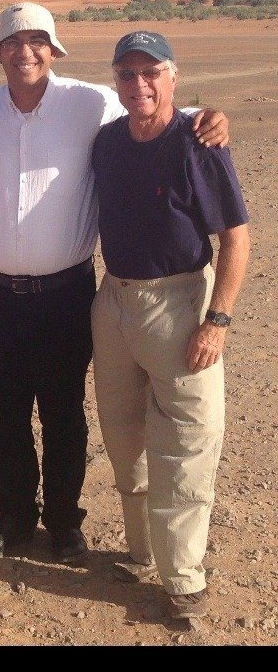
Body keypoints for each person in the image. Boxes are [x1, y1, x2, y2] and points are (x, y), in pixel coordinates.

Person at [0, 2, 230, 564]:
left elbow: (157, 109)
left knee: (63, 411)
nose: (25, 52)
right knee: (1, 413)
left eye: (38, 41)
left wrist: (212, 114)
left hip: (65, 294)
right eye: (14, 42)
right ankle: (12, 517)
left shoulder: (89, 101)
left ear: (54, 50)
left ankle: (62, 521)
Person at [91, 31, 249, 619]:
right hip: (115, 301)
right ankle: (142, 548)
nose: (140, 85)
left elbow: (236, 236)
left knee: (186, 441)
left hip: (181, 301)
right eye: (128, 75)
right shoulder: (106, 142)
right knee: (123, 433)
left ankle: (182, 577)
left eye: (151, 73)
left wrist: (218, 321)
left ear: (172, 77)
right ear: (115, 81)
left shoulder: (199, 142)